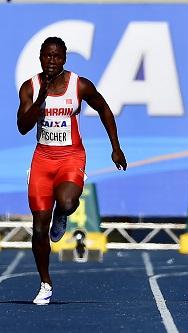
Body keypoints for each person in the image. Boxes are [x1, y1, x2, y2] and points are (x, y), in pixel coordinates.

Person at [17, 37, 127, 304]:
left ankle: (62, 215)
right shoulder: (30, 87)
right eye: (47, 56)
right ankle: (45, 283)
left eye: (57, 56)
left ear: (64, 58)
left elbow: (103, 109)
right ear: (41, 58)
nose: (52, 61)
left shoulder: (80, 85)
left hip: (70, 156)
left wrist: (116, 147)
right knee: (39, 229)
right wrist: (40, 100)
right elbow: (22, 126)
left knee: (66, 201)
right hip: (42, 160)